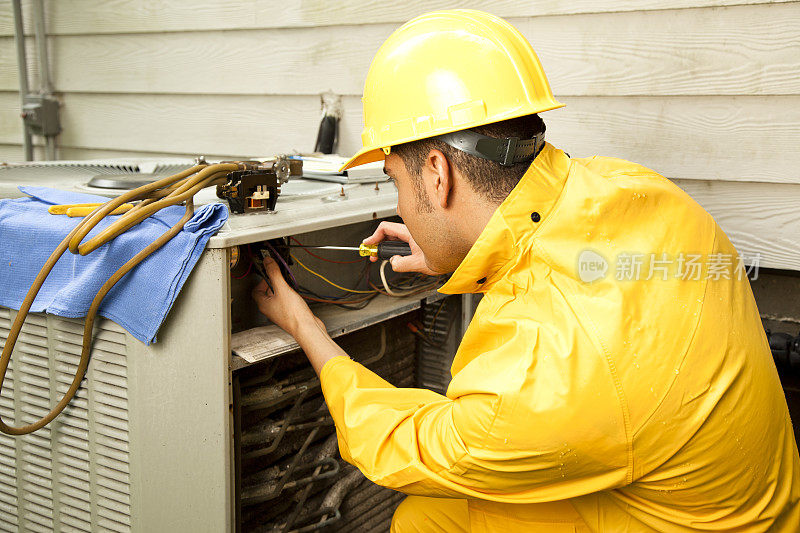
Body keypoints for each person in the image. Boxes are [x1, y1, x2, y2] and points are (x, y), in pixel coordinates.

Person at [252, 9, 800, 532]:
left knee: (419, 517)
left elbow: (403, 444)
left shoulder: (539, 387)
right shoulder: (644, 192)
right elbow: (558, 278)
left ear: (438, 175)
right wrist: (453, 254)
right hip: (726, 505)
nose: (400, 205)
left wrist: (306, 329)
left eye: (396, 181)